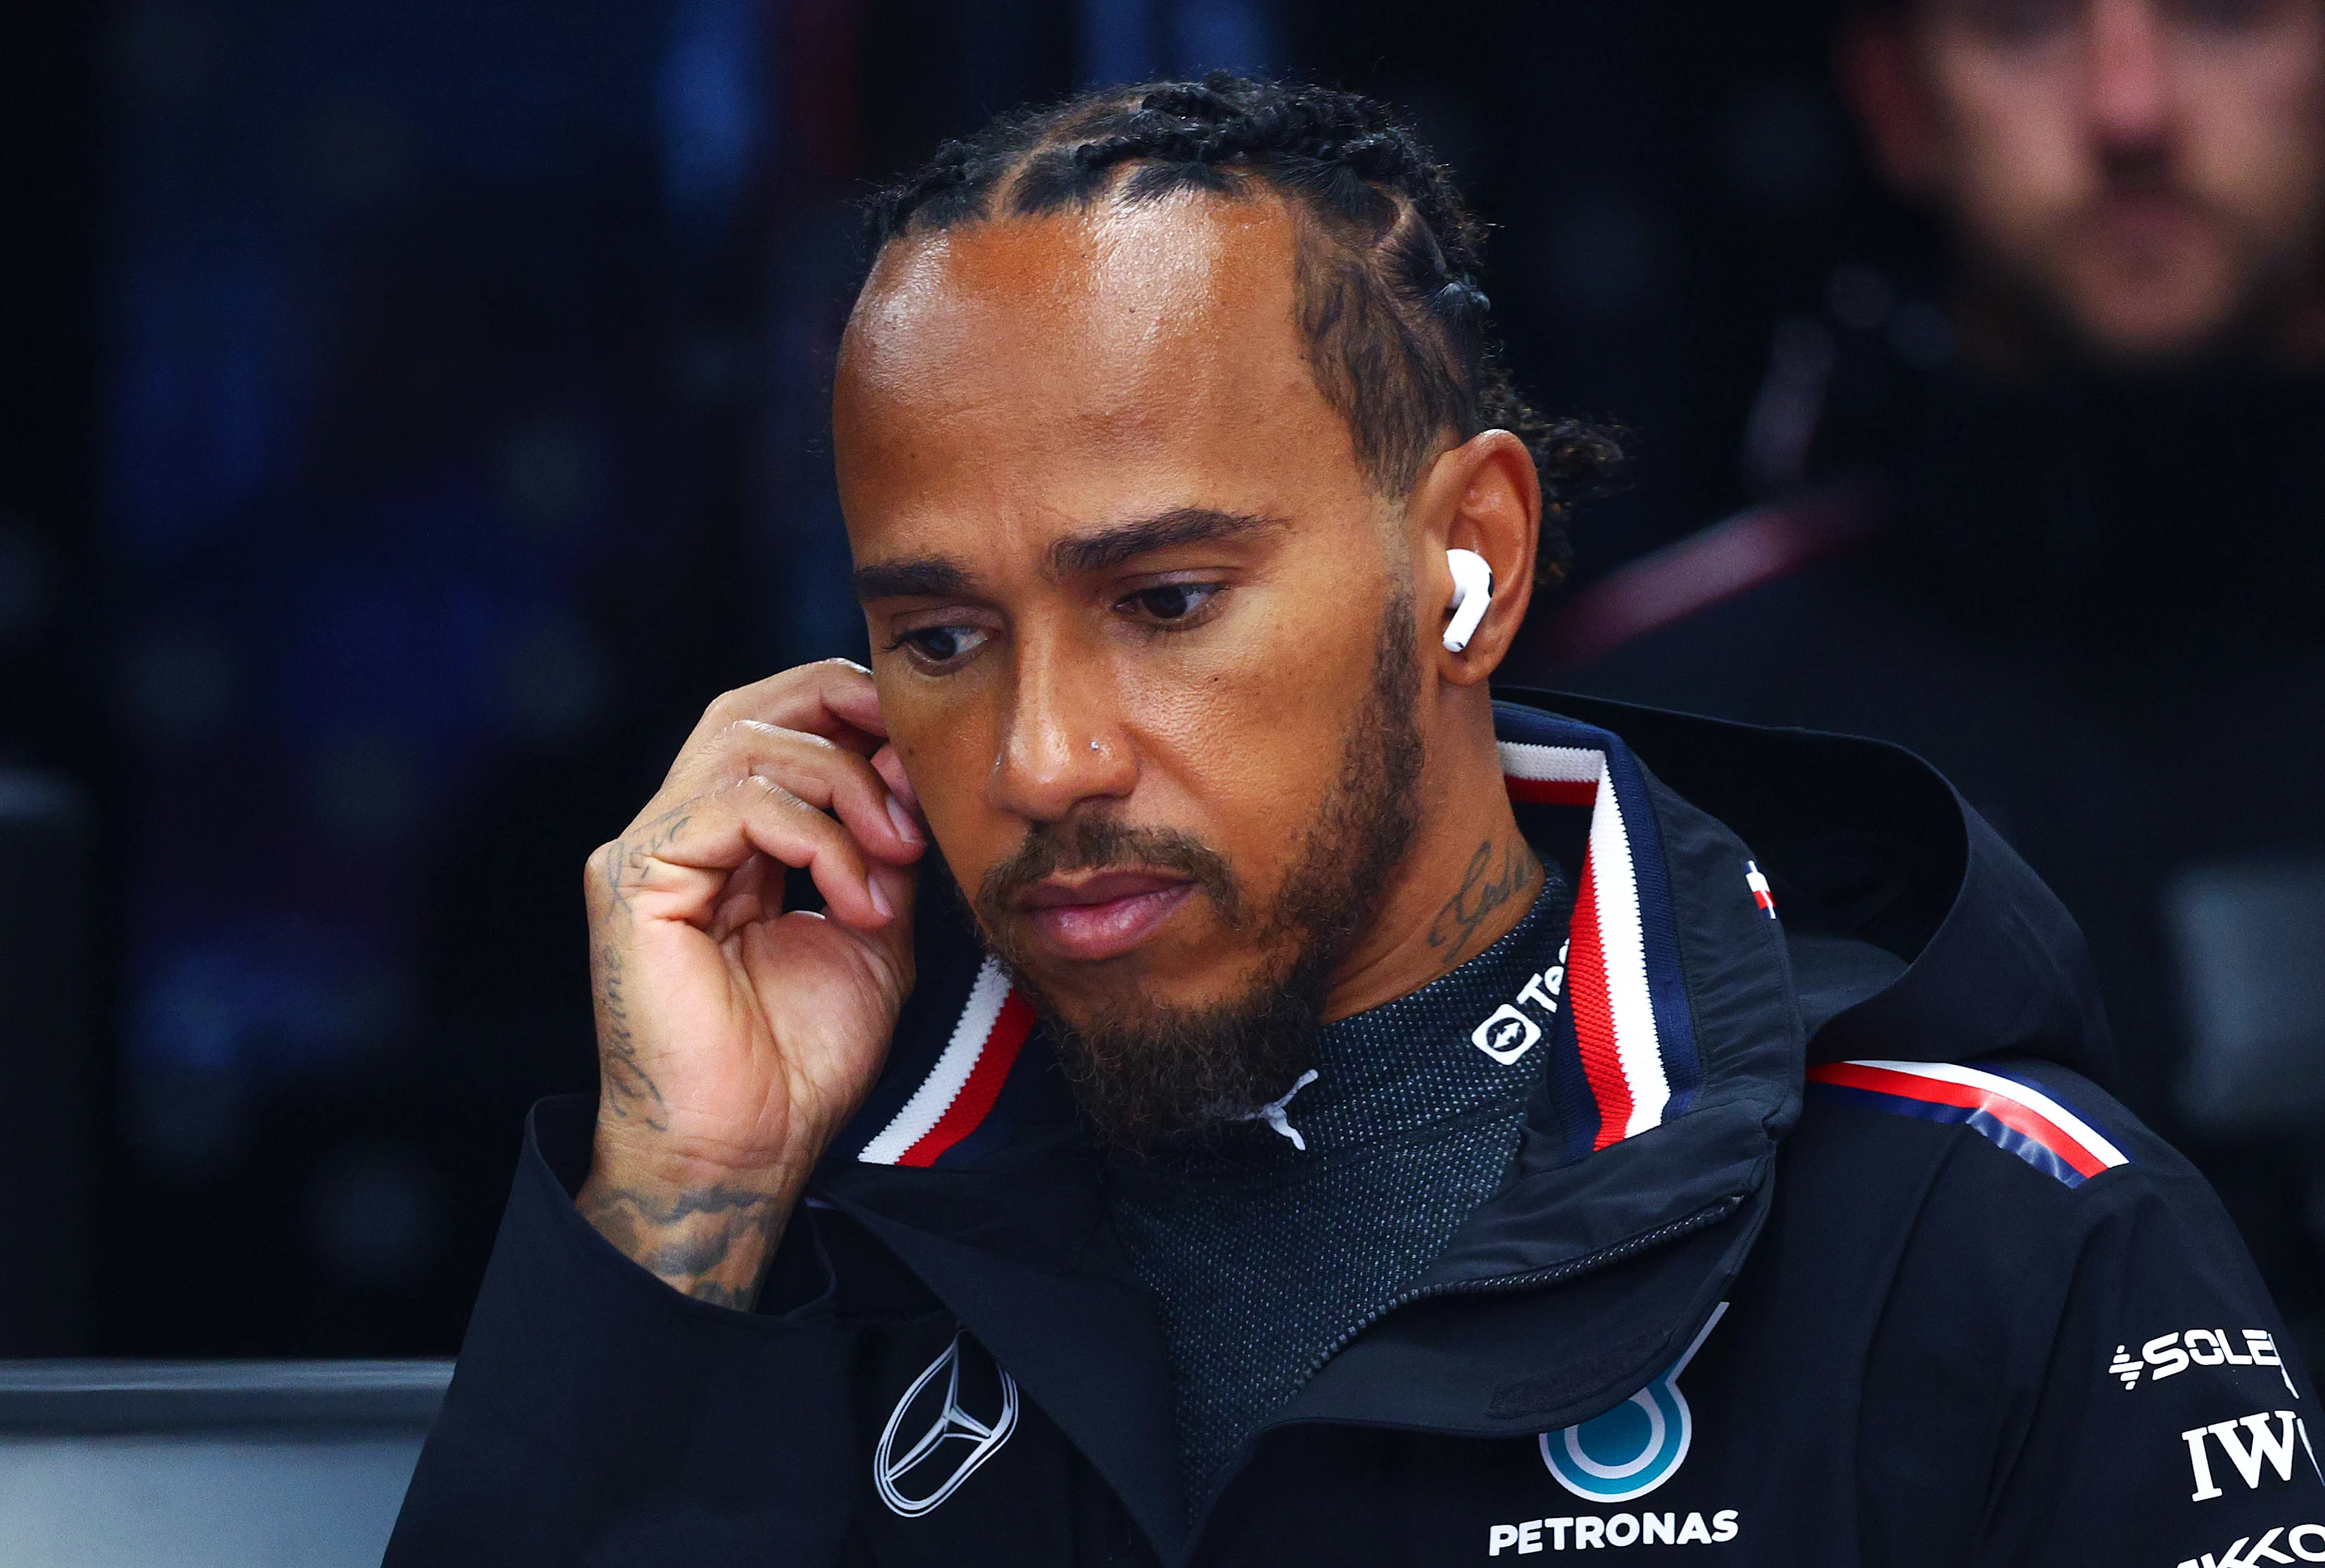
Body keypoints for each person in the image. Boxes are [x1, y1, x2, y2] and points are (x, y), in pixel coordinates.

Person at [388, 77, 2317, 1565]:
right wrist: (681, 1208)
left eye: (1164, 603)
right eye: (945, 636)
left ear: (1466, 562)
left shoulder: (1989, 1235)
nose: (1044, 755)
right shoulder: (807, 1242)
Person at [1539, 0, 2325, 1323]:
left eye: (2226, 14)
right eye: (2022, 26)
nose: (2130, 111)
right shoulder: (1656, 732)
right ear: (1899, 103)